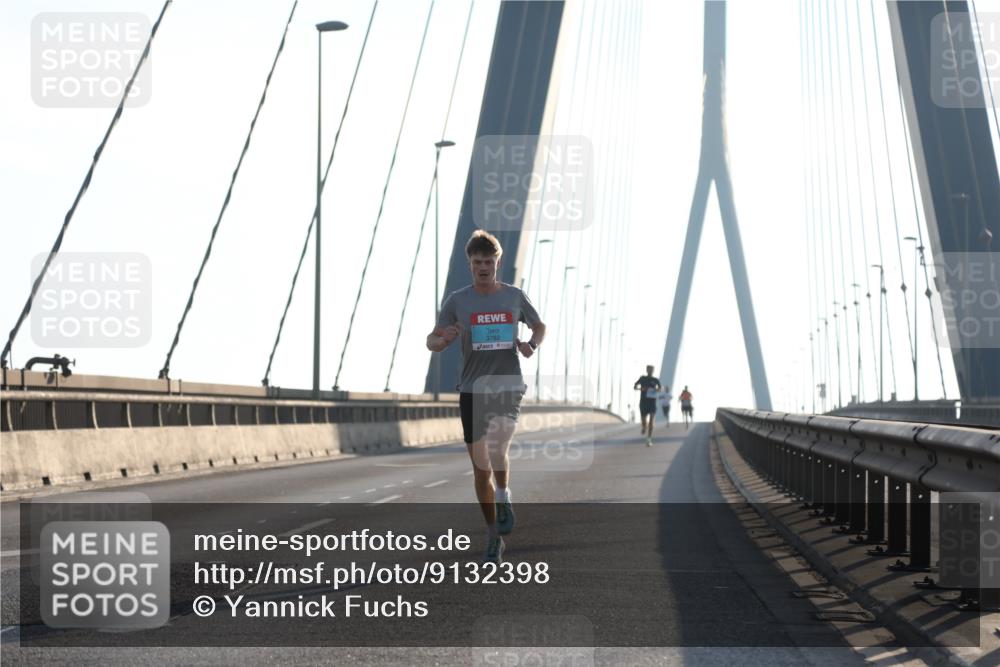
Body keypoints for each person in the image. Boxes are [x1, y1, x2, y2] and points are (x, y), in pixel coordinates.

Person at [426, 230, 545, 563]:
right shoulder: (457, 301)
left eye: (488, 261)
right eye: (477, 262)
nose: (482, 267)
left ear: (498, 262)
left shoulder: (514, 296)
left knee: (496, 447)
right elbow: (431, 341)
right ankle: (493, 535)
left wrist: (531, 345)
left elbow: (539, 326)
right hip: (472, 389)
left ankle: (504, 495)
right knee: (480, 469)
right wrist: (443, 338)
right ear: (469, 264)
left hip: (507, 385)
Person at [633, 365, 661, 446]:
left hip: (652, 403)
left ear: (653, 370)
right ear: (646, 370)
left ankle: (649, 439)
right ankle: (644, 427)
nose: (650, 371)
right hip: (643, 402)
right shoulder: (642, 378)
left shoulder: (655, 380)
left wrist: (657, 389)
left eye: (652, 370)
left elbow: (660, 388)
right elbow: (635, 386)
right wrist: (640, 388)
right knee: (644, 421)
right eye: (649, 369)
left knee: (652, 420)